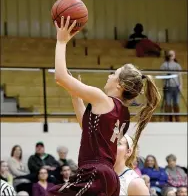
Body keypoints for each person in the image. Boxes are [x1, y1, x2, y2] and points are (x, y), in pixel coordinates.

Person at [48, 16, 160, 196]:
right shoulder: (123, 114)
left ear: (120, 85)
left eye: (113, 74)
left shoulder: (101, 99)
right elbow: (88, 129)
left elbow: (60, 76)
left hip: (95, 173)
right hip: (109, 178)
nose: (109, 76)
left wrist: (61, 41)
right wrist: (75, 97)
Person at [160, 50, 182, 122]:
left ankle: (177, 119)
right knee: (168, 103)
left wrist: (180, 85)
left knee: (176, 103)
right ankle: (168, 120)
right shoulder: (164, 65)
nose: (171, 56)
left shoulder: (177, 65)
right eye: (170, 54)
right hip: (168, 87)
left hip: (176, 86)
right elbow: (162, 76)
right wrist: (164, 83)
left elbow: (180, 76)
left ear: (174, 55)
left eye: (172, 54)